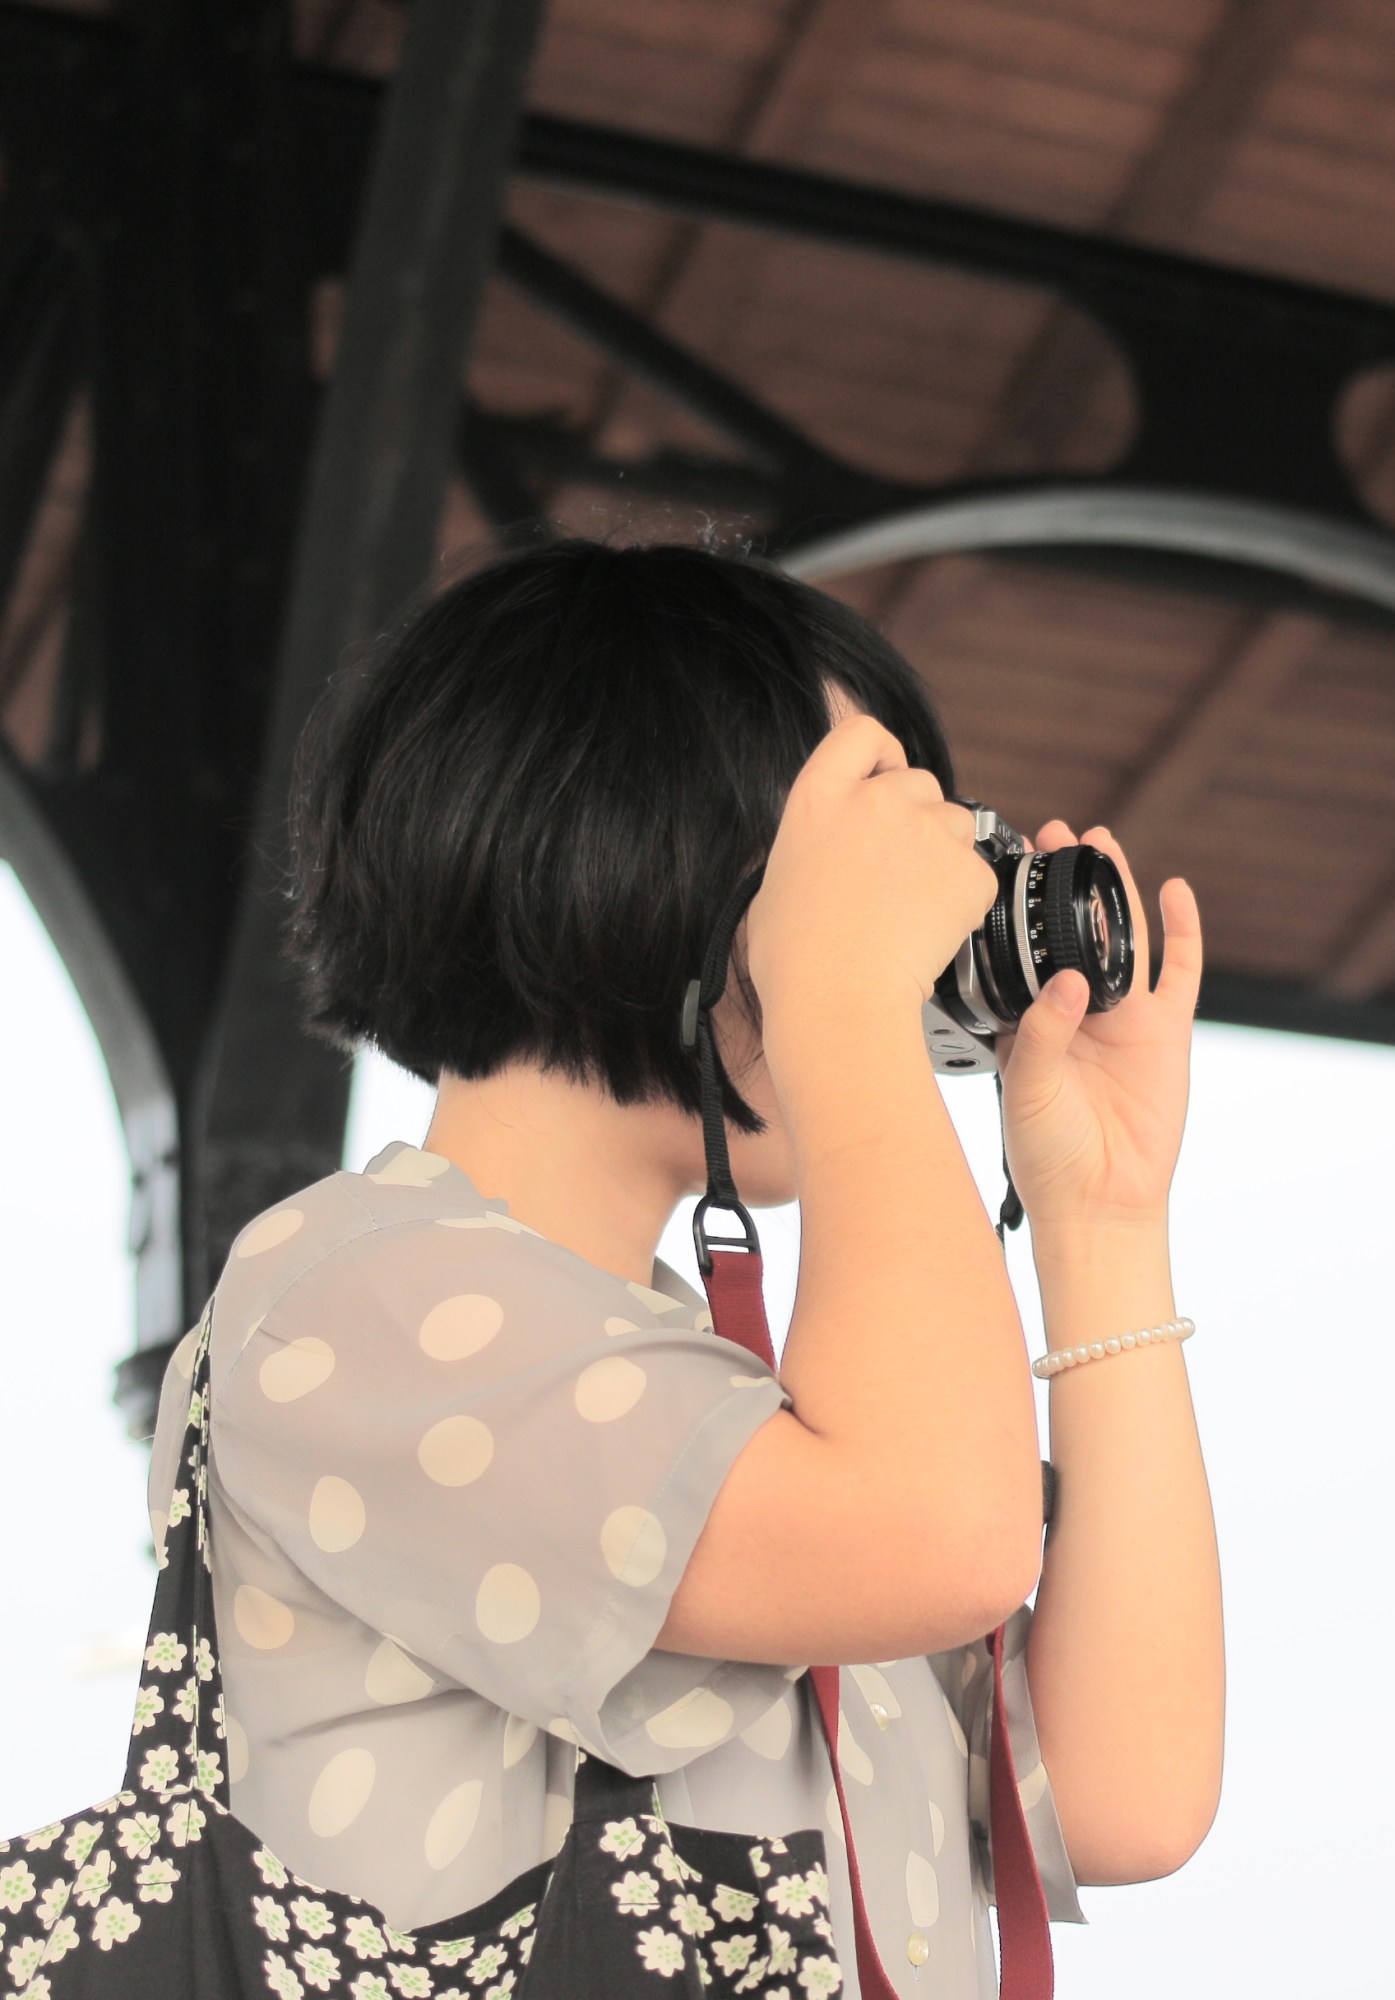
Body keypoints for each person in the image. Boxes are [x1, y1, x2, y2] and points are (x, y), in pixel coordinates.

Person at [144, 537, 1225, 1995]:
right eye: (857, 859)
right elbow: (940, 1541)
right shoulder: (347, 1292)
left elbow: (1120, 1798)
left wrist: (1102, 1219)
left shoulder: (768, 1415)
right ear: (631, 837)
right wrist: (843, 1008)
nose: (911, 938)